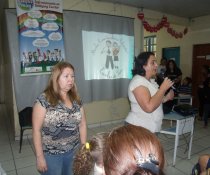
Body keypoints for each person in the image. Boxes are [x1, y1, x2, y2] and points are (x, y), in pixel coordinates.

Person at [32, 62, 87, 175]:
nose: (70, 79)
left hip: (74, 150)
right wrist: (39, 157)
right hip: (51, 154)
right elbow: (36, 130)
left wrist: (84, 146)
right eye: (66, 76)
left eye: (72, 76)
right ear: (56, 78)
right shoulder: (44, 99)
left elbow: (82, 124)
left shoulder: (76, 99)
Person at [125, 52, 174, 133]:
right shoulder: (138, 81)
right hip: (139, 128)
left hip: (151, 127)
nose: (156, 65)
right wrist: (162, 89)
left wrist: (167, 97)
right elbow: (149, 107)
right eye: (153, 63)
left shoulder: (150, 81)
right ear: (143, 66)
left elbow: (156, 99)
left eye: (156, 62)